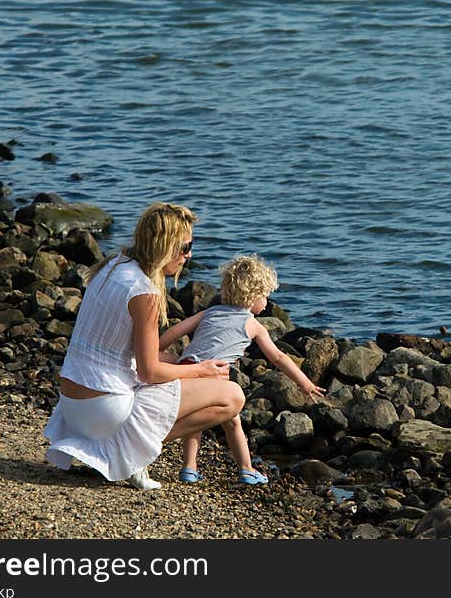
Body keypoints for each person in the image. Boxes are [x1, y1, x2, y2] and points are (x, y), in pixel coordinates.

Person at [43, 202, 245, 491]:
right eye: (186, 247)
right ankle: (129, 455)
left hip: (73, 404)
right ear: (167, 246)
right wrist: (200, 370)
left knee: (178, 367)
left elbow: (123, 352)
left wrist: (178, 363)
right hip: (104, 409)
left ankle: (113, 451)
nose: (190, 255)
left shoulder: (113, 265)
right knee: (232, 396)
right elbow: (149, 372)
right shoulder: (144, 292)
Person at [159, 254, 325, 485]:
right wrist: (305, 383)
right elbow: (278, 357)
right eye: (265, 296)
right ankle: (246, 468)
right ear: (253, 297)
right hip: (213, 377)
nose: (267, 302)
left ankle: (189, 467)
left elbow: (175, 332)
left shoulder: (209, 312)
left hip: (188, 370)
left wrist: (156, 351)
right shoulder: (252, 324)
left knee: (196, 420)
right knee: (232, 421)